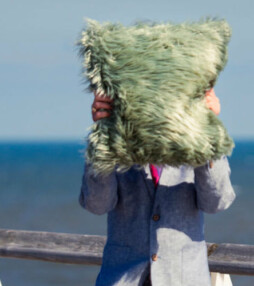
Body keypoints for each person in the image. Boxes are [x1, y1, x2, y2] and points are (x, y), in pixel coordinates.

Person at [79, 88, 236, 286]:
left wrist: (209, 131)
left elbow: (217, 202)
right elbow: (97, 205)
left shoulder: (196, 141)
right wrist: (102, 134)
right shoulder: (116, 141)